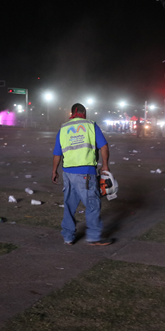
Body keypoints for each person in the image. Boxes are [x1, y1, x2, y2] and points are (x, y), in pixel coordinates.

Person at [51, 103, 113, 246]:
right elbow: (103, 146)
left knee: (69, 205)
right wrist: (105, 165)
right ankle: (94, 237)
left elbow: (57, 153)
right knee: (92, 204)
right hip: (85, 173)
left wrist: (54, 171)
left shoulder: (63, 128)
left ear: (72, 112)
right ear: (83, 112)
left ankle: (68, 237)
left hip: (67, 173)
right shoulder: (91, 125)